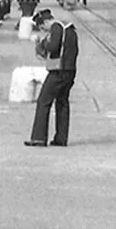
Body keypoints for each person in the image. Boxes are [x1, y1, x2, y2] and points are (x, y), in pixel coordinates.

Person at [26, 8, 78, 148]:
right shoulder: (69, 28)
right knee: (62, 102)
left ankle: (38, 137)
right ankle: (61, 138)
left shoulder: (56, 27)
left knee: (43, 101)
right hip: (70, 70)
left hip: (58, 71)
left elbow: (53, 47)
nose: (43, 30)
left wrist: (42, 43)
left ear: (46, 21)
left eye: (42, 27)